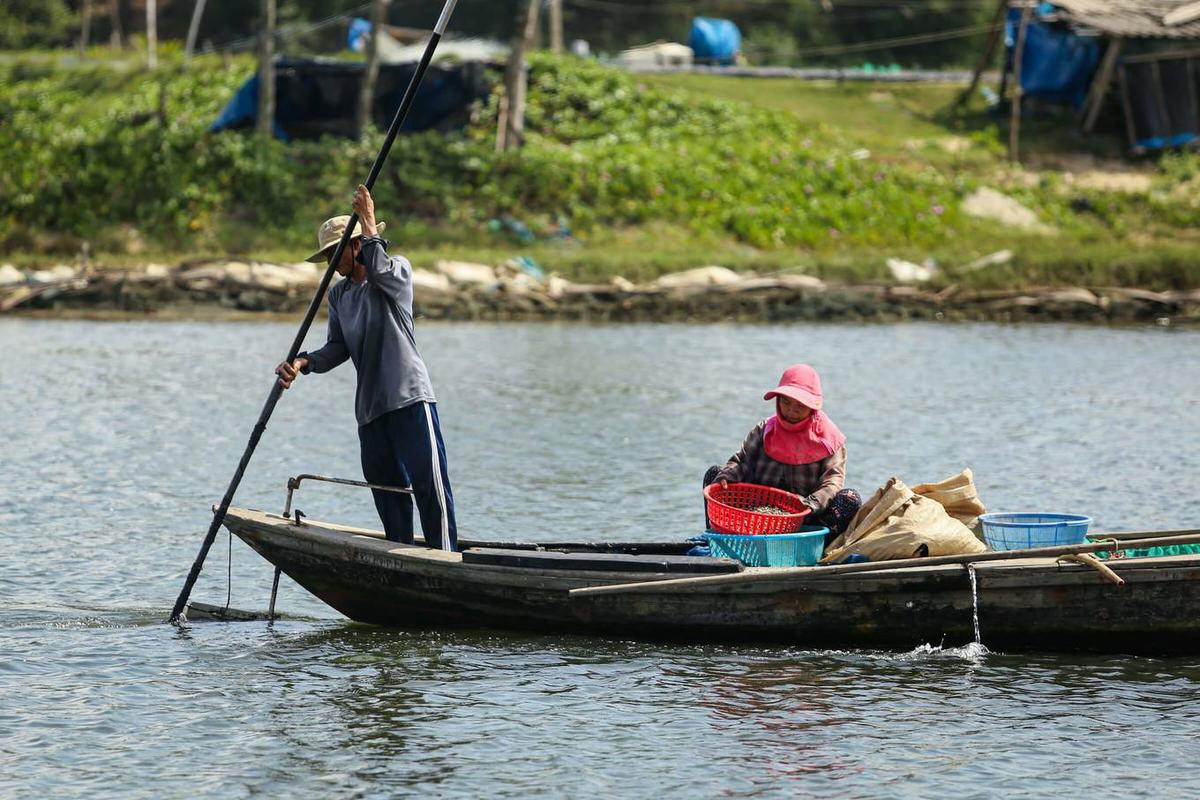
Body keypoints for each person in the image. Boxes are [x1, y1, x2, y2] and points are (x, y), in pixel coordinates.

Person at [275, 185, 457, 551]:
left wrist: (370, 221)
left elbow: (382, 269)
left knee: (427, 483)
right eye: (327, 256)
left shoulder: (394, 274)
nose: (331, 264)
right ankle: (402, 556)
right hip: (371, 411)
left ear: (356, 247)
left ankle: (445, 555)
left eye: (335, 253)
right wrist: (304, 362)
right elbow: (338, 347)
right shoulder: (340, 295)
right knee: (387, 490)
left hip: (408, 399)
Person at [706, 364, 860, 539]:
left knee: (849, 499)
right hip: (757, 514)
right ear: (777, 400)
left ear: (813, 407)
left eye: (800, 406)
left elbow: (832, 482)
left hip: (806, 518)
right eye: (785, 402)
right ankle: (718, 536)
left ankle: (819, 549)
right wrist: (728, 475)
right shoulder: (764, 430)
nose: (791, 411)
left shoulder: (829, 439)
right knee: (715, 475)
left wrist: (809, 505)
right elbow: (742, 462)